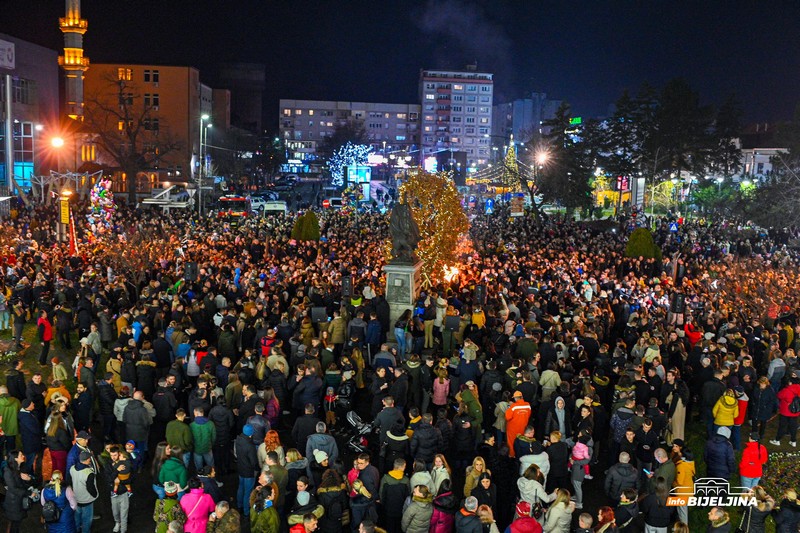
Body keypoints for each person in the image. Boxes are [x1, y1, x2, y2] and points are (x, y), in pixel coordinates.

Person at [349, 453, 380, 532]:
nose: (359, 465)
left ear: (367, 462)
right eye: (358, 463)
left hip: (366, 502)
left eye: (361, 463)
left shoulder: (364, 476)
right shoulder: (374, 469)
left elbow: (370, 490)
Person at [70, 450, 99, 533]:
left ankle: (76, 530)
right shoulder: (89, 472)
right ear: (87, 460)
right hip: (87, 500)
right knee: (86, 520)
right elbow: (91, 488)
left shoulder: (72, 469)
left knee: (77, 517)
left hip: (76, 498)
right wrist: (95, 495)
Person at [235, 424, 260, 517]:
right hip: (249, 472)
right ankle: (246, 511)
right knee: (248, 492)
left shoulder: (238, 440)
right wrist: (258, 468)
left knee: (241, 487)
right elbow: (254, 462)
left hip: (240, 468)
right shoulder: (250, 446)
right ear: (251, 433)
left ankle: (239, 505)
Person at [504, 391, 531, 457]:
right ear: (522, 397)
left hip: (512, 429)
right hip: (523, 428)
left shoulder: (513, 406)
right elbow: (528, 415)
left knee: (512, 443)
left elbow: (507, 417)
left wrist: (509, 408)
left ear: (515, 398)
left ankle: (512, 456)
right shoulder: (528, 405)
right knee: (521, 442)